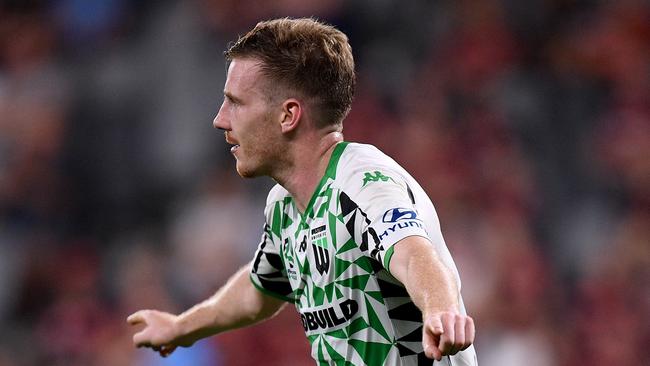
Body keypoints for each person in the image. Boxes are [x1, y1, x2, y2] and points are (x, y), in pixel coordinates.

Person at [127, 17, 477, 366]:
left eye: (236, 102)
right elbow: (258, 291)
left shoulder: (362, 183)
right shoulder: (284, 205)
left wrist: (441, 311)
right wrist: (181, 327)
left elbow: (414, 255)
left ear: (288, 115)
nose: (221, 119)